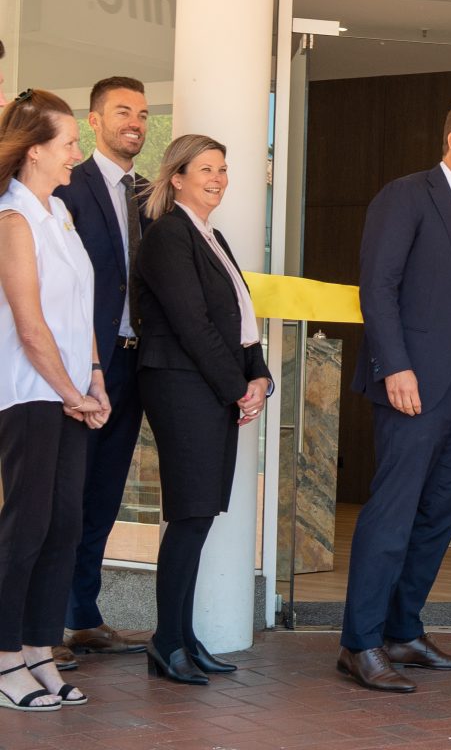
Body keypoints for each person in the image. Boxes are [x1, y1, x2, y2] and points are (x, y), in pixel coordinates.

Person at [339, 92, 451, 692]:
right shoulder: (406, 195)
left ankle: (402, 632)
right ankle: (359, 643)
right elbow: (377, 287)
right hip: (412, 383)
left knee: (439, 516)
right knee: (392, 512)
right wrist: (395, 366)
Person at [133, 134, 271, 685]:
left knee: (201, 512)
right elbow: (192, 323)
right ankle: (167, 643)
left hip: (211, 386)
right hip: (180, 384)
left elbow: (240, 317)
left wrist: (258, 373)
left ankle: (185, 639)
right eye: (205, 169)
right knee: (189, 514)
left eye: (223, 169)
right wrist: (237, 386)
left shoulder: (211, 236)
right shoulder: (168, 235)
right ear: (177, 178)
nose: (217, 178)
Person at [0, 88, 110, 711]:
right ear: (36, 151)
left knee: (63, 525)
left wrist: (94, 377)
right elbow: (29, 323)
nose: (76, 153)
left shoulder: (60, 214)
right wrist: (72, 392)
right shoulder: (12, 220)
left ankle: (40, 648)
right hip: (30, 395)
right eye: (69, 142)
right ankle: (4, 656)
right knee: (27, 525)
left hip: (69, 394)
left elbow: (80, 308)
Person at [52, 77, 151, 669]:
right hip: (79, 367)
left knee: (104, 497)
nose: (134, 121)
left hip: (134, 365)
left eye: (142, 112)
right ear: (94, 121)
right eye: (122, 111)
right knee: (65, 495)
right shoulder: (68, 186)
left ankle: (83, 617)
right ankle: (46, 622)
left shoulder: (147, 194)